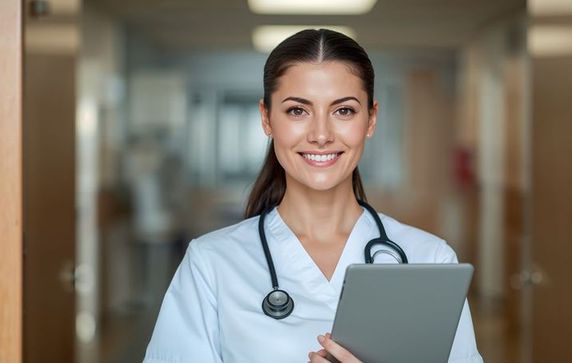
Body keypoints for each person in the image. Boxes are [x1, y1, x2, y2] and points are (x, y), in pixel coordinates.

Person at [143, 28, 483, 363]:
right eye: (297, 110)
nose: (321, 134)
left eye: (344, 110)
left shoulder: (428, 260)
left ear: (371, 119)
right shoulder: (212, 264)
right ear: (266, 118)